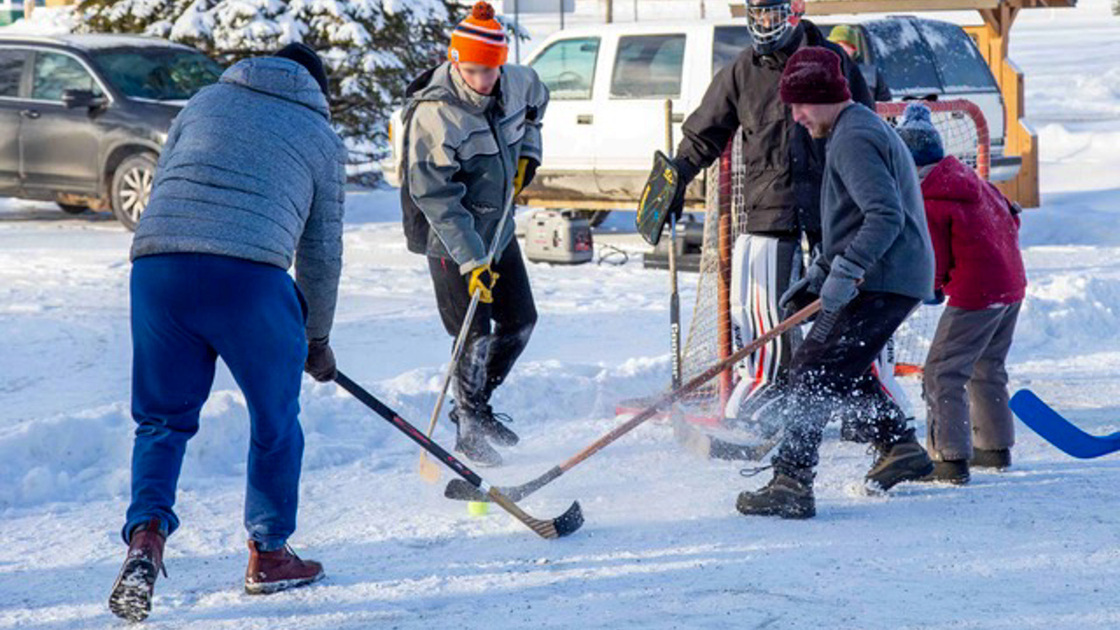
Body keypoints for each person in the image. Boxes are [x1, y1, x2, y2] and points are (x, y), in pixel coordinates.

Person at [108, 43, 345, 622]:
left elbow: (168, 182)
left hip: (158, 269)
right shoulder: (319, 135)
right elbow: (320, 256)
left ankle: (146, 538)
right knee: (274, 419)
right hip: (248, 280)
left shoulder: (205, 100)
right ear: (317, 89)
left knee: (162, 420)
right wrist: (315, 340)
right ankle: (268, 553)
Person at [648, 0, 874, 424]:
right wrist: (676, 175)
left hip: (834, 203)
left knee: (849, 307)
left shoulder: (834, 60)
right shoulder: (743, 70)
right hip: (772, 206)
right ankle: (770, 393)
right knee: (765, 311)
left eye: (771, 13)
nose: (764, 23)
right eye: (757, 14)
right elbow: (704, 133)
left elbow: (866, 123)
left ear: (795, 9)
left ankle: (862, 405)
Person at [737, 48, 936, 519]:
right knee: (836, 366)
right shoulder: (852, 129)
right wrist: (821, 274)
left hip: (886, 277)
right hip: (886, 275)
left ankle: (792, 480)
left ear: (827, 97)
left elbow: (885, 217)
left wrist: (844, 273)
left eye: (802, 104)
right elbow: (851, 221)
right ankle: (897, 445)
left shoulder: (853, 137)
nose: (797, 116)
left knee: (814, 369)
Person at [402, 1, 549, 467]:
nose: (484, 81)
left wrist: (530, 153)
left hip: (498, 227)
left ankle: (477, 405)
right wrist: (471, 261)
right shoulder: (435, 114)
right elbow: (434, 195)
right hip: (450, 239)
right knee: (474, 333)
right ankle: (468, 425)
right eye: (473, 71)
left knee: (521, 320)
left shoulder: (517, 81)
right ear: (454, 60)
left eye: (491, 71)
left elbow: (537, 107)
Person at [895, 103, 1027, 484]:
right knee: (987, 367)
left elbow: (934, 257)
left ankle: (948, 457)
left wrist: (931, 288)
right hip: (1011, 285)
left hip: (977, 293)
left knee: (941, 372)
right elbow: (1012, 216)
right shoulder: (971, 180)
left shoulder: (930, 198)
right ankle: (994, 447)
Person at [826, 24, 891, 101]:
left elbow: (884, 103)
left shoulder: (870, 73)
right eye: (836, 46)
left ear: (854, 49)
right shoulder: (822, 71)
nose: (839, 50)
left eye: (844, 46)